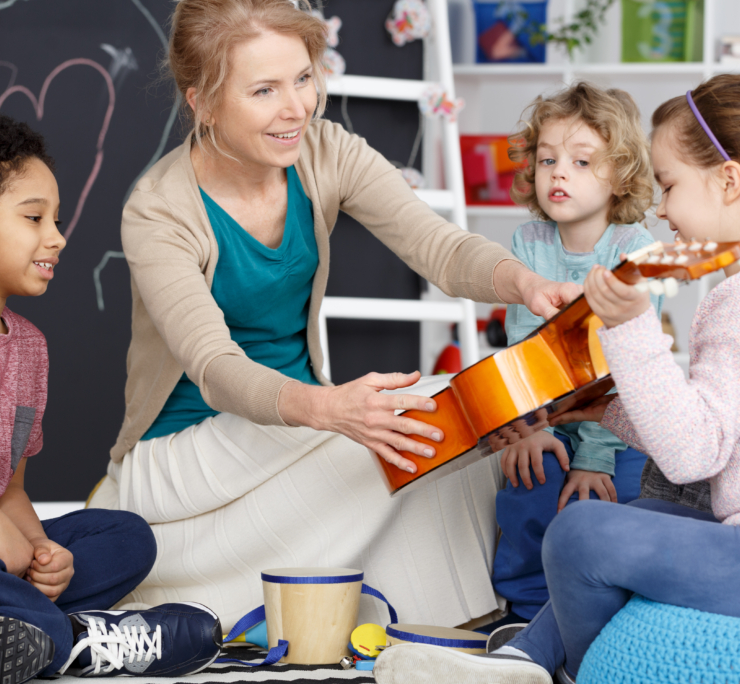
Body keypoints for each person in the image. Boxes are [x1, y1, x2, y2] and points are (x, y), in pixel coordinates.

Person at [87, 0, 580, 633]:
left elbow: (440, 247)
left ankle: (463, 625)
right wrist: (332, 410)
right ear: (203, 103)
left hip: (297, 435)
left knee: (467, 418)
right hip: (184, 454)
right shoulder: (159, 210)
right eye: (265, 89)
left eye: (303, 78)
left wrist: (527, 283)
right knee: (434, 411)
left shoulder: (325, 152)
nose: (297, 107)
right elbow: (213, 365)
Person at [374, 73, 740, 684]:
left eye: (669, 185)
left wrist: (631, 324)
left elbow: (693, 455)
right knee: (646, 511)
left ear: (729, 181)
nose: (663, 208)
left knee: (579, 535)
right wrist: (602, 413)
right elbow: (716, 437)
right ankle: (524, 661)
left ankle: (594, 672)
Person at [0, 111, 222, 684]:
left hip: (3, 559)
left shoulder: (29, 350)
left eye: (57, 220)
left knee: (125, 538)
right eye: (34, 218)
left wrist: (45, 554)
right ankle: (75, 639)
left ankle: (31, 625)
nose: (58, 237)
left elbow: (12, 490)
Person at [488, 82, 659, 629]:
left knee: (629, 496)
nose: (559, 173)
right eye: (547, 160)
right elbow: (522, 349)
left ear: (621, 177)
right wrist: (531, 428)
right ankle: (527, 612)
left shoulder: (631, 248)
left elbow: (624, 370)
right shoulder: (529, 242)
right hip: (548, 413)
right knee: (526, 479)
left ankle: (615, 615)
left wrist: (595, 456)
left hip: (614, 419)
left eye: (582, 162)